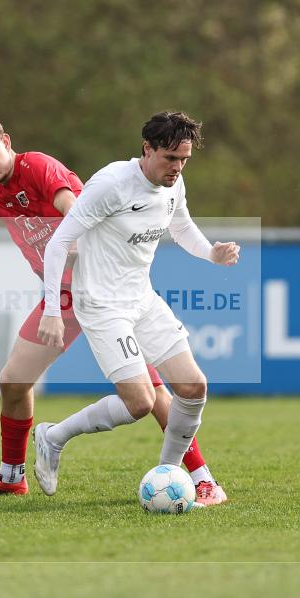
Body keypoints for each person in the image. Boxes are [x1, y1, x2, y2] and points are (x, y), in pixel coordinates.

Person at [0, 115, 226, 504]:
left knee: (152, 396)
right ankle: (11, 475)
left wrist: (75, 240)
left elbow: (73, 203)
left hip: (95, 291)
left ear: (7, 141)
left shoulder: (37, 166)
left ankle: (200, 477)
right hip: (67, 298)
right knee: (14, 382)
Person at [35, 111, 239, 501]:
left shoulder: (172, 184)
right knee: (141, 403)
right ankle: (54, 436)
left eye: (184, 160)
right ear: (147, 149)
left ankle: (169, 478)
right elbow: (59, 242)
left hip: (142, 300)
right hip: (101, 305)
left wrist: (212, 253)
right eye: (170, 159)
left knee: (193, 387)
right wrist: (50, 310)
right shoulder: (111, 185)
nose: (177, 168)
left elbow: (180, 227)